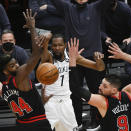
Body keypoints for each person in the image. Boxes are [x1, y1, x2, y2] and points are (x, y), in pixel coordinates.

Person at [51, 0, 111, 129]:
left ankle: (96, 120)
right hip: (74, 58)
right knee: (73, 92)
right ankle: (76, 122)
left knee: (96, 90)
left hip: (94, 57)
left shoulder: (96, 6)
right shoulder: (67, 7)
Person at [68, 39, 131, 131]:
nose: (100, 87)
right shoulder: (128, 94)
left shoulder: (102, 102)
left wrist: (72, 60)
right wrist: (123, 55)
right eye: (101, 84)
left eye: (105, 86)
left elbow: (75, 88)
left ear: (114, 90)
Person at [0, 9, 52, 131]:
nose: (17, 66)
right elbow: (36, 53)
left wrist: (40, 101)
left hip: (21, 124)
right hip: (38, 124)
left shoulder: (4, 89)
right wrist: (32, 28)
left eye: (16, 63)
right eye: (12, 66)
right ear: (5, 71)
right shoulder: (19, 76)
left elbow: (18, 110)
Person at [40, 34, 105, 131]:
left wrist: (98, 60)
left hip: (66, 101)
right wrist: (45, 42)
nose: (57, 48)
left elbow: (99, 67)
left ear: (65, 45)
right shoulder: (48, 57)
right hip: (51, 101)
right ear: (51, 46)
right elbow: (43, 53)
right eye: (54, 45)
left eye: (60, 45)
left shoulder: (72, 57)